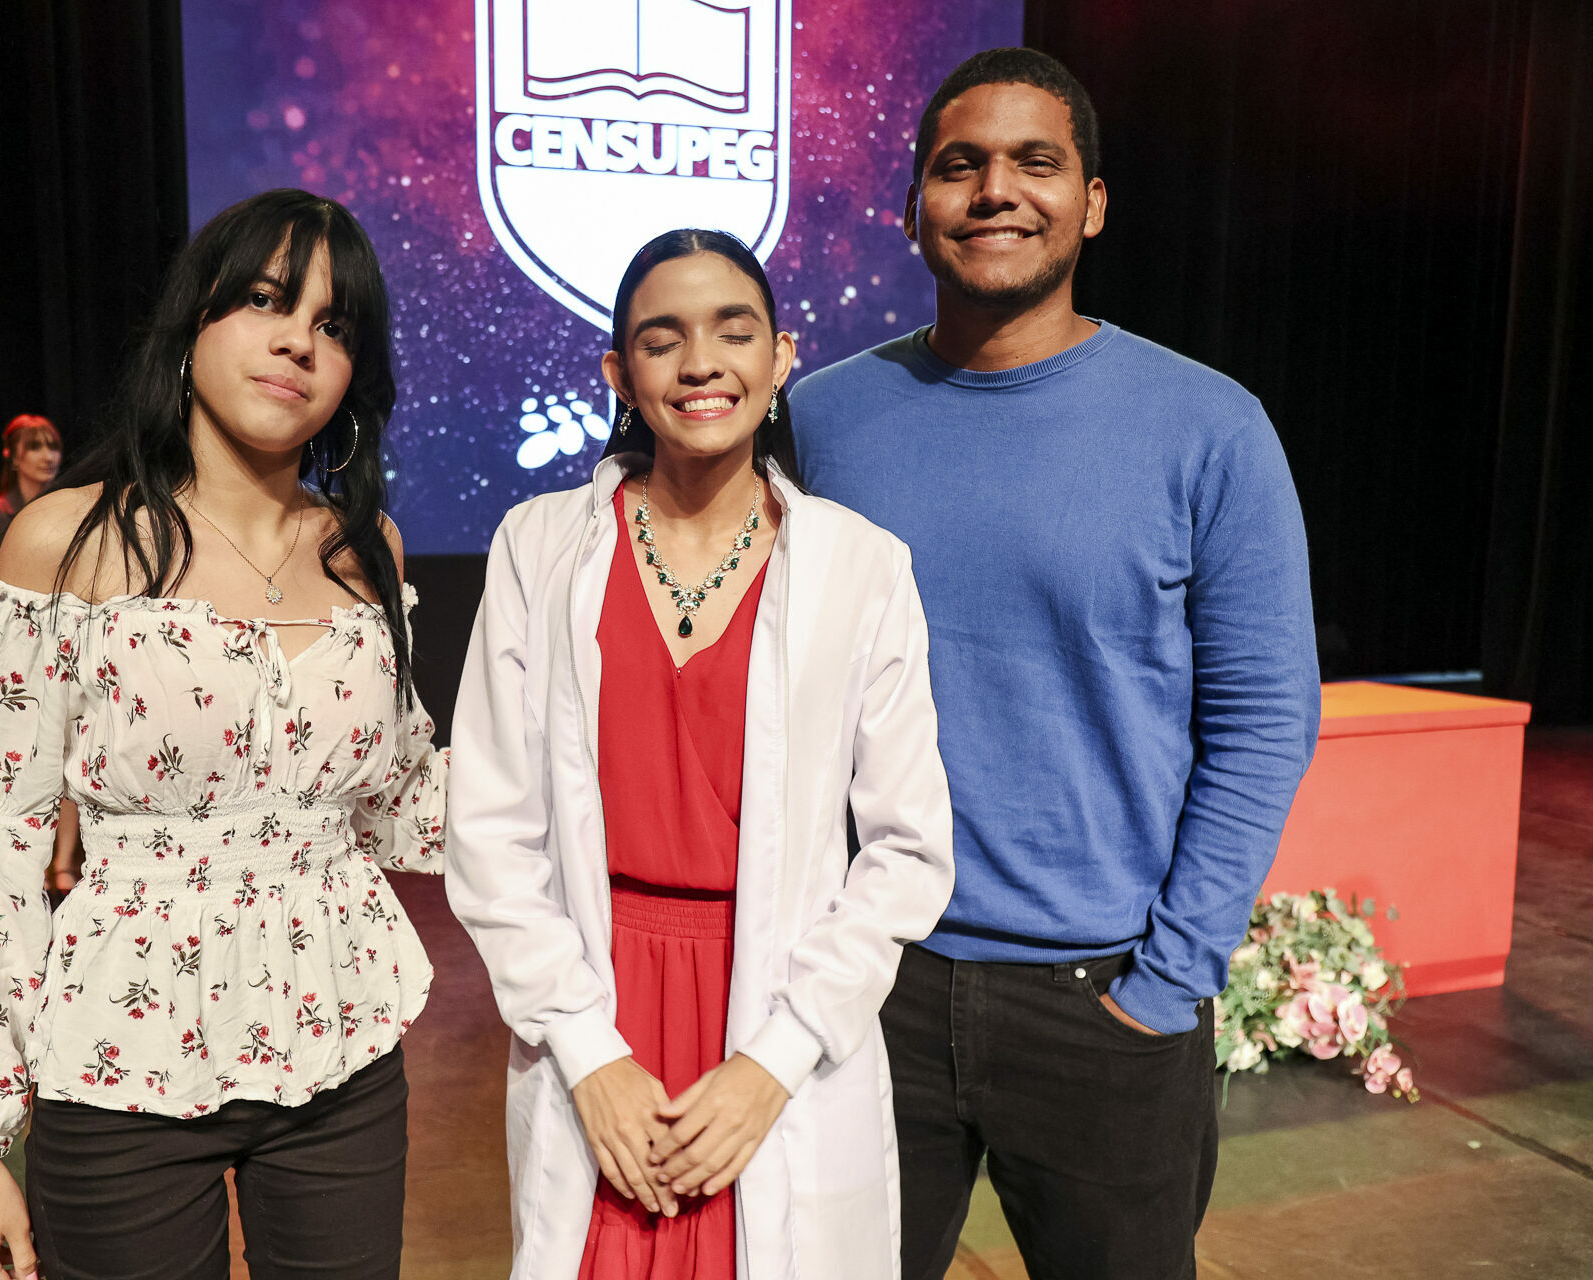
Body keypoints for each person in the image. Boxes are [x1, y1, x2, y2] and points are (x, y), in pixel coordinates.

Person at [789, 47, 1322, 1280]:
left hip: (1106, 1001)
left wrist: (1168, 981)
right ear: (912, 204)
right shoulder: (821, 418)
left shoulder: (1210, 427)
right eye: (959, 165)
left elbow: (1262, 723)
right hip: (872, 987)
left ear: (1092, 202)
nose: (996, 190)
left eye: (1036, 162)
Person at [0, 189, 448, 1280]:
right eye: (266, 301)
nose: (298, 341)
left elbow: (397, 799)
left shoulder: (366, 548)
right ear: (195, 321)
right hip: (122, 1059)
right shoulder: (69, 539)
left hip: (341, 1049)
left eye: (334, 325)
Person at [447, 228, 956, 1280]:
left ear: (781, 357)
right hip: (597, 1010)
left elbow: (907, 852)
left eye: (734, 331)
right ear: (619, 374)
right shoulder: (538, 547)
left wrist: (773, 1062)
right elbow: (490, 829)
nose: (699, 363)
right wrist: (589, 1056)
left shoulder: (861, 566)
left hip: (779, 1019)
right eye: (661, 339)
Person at [0, 413, 63, 556]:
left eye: (53, 447)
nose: (48, 457)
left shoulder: (66, 508)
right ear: (14, 457)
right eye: (35, 447)